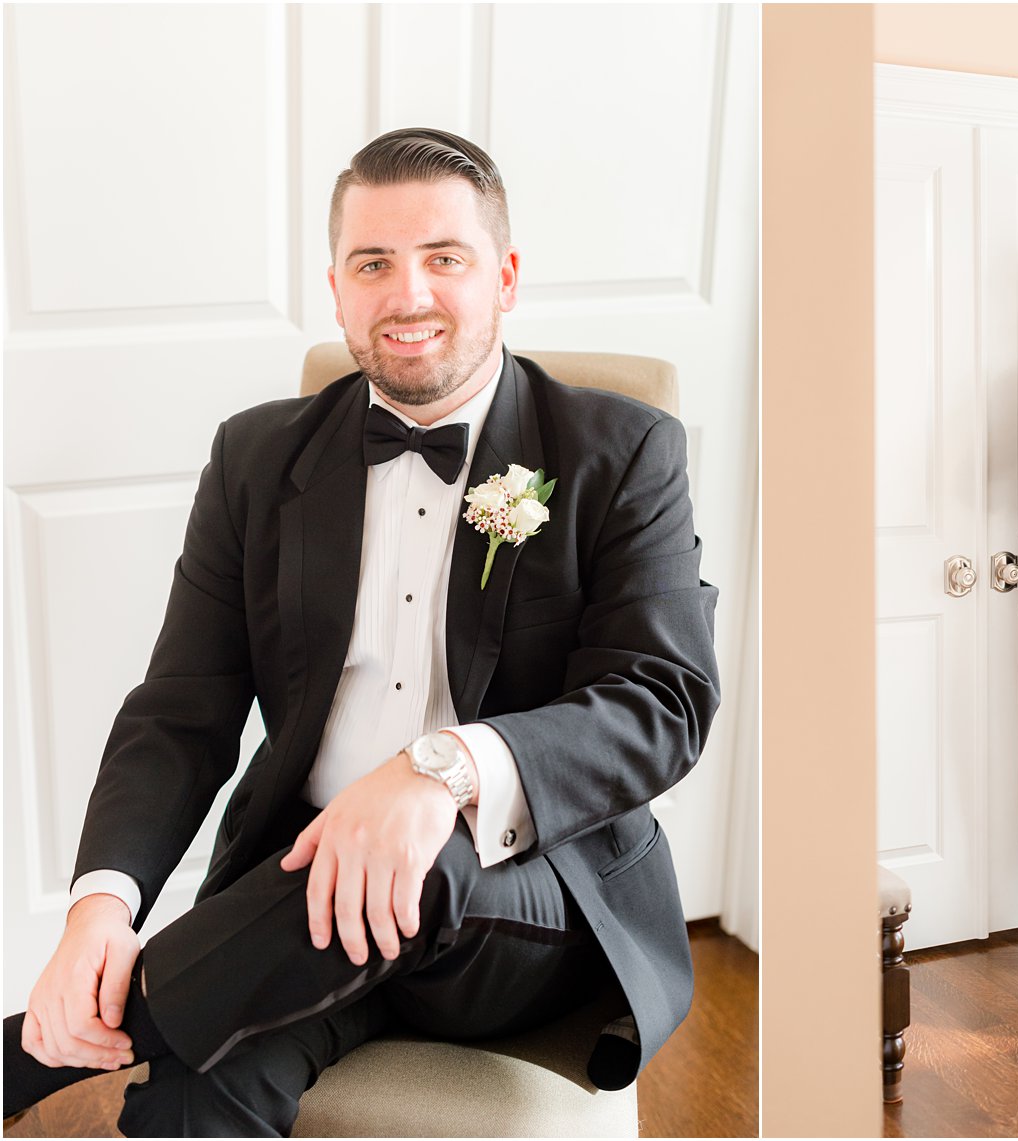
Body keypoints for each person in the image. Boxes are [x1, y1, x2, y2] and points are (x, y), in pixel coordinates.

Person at [3, 126, 720, 1135]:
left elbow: (662, 702)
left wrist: (441, 770)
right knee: (197, 1100)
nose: (408, 292)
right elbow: (183, 707)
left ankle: (16, 1062)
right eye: (373, 262)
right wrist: (100, 907)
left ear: (504, 277)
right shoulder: (256, 456)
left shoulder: (623, 451)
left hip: (519, 906)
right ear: (336, 287)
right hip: (301, 907)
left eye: (444, 258)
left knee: (414, 859)